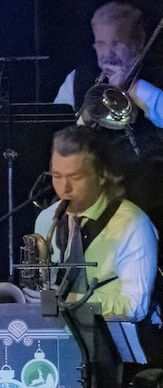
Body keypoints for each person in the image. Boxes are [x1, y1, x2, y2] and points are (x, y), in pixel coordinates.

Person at [33, 127, 158, 323]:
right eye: (57, 176)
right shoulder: (46, 218)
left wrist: (71, 300)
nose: (64, 189)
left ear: (101, 175)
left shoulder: (133, 224)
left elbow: (136, 306)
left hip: (116, 348)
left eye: (75, 177)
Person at [54, 3, 162, 127]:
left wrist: (134, 88)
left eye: (116, 44)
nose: (108, 54)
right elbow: (58, 133)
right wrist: (88, 115)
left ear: (137, 44)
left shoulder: (157, 74)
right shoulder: (76, 78)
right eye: (101, 44)